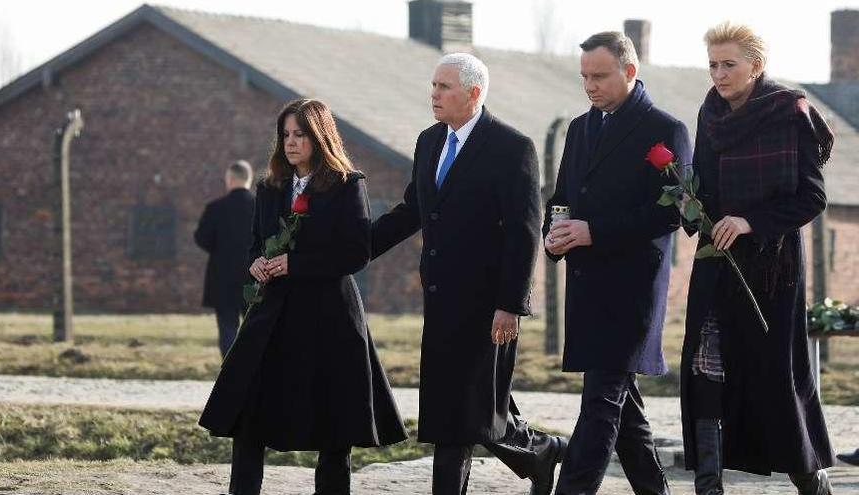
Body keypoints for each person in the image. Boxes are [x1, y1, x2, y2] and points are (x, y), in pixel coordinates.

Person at [371, 52, 566, 495]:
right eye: (433, 85)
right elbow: (411, 211)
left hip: (488, 306)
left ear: (474, 94)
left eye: (445, 87)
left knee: (459, 418)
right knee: (469, 409)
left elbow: (523, 233)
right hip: (440, 301)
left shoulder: (512, 147)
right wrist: (354, 248)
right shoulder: (428, 141)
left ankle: (536, 455)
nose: (434, 94)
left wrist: (510, 305)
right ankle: (540, 453)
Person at [199, 99, 407, 495]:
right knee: (249, 417)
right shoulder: (269, 186)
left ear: (320, 136)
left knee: (334, 428)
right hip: (272, 317)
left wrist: (296, 264)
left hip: (330, 318)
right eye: (285, 135)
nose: (290, 143)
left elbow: (355, 253)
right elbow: (256, 243)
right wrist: (256, 263)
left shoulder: (348, 184)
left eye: (300, 135)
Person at [680, 22, 835, 495]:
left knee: (775, 379)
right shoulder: (709, 115)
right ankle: (709, 487)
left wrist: (750, 221)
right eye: (712, 65)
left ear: (756, 66)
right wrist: (688, 205)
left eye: (729, 64)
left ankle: (812, 482)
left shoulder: (790, 112)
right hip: (717, 260)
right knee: (705, 368)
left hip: (772, 267)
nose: (719, 75)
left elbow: (811, 198)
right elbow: (703, 186)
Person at [542, 32, 690, 495]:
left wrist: (595, 231)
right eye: (584, 76)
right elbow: (562, 198)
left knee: (600, 406)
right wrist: (556, 235)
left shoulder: (665, 130)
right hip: (587, 285)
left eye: (600, 76)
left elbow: (673, 211)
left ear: (630, 71)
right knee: (624, 414)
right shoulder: (581, 128)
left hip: (631, 291)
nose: (590, 85)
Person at [194, 160, 255, 357]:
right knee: (255, 328)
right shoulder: (261, 207)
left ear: (229, 179)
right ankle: (254, 373)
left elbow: (202, 239)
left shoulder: (215, 208)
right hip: (255, 277)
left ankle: (230, 375)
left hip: (222, 278)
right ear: (249, 179)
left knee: (227, 329)